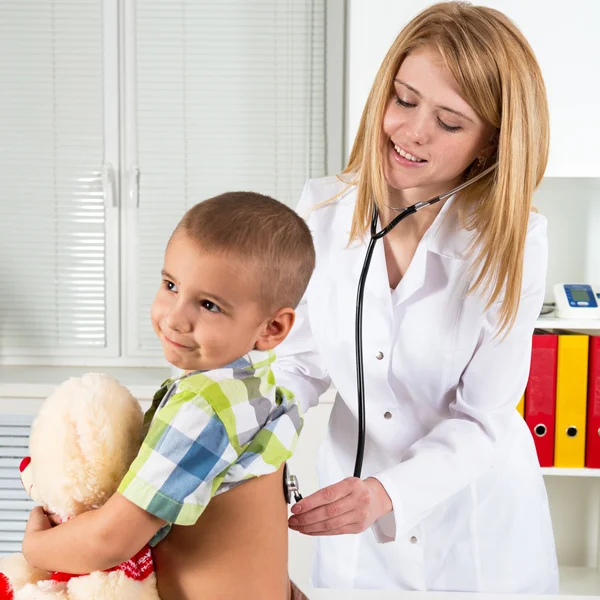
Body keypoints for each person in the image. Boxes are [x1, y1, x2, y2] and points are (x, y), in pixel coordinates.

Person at [273, 1, 558, 594]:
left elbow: (482, 418)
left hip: (472, 527)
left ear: (489, 145)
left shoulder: (515, 242)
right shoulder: (324, 210)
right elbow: (299, 360)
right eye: (404, 100)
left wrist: (388, 494)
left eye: (449, 122)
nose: (410, 131)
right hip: (351, 525)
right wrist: (258, 441)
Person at [22, 192, 314, 599]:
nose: (175, 318)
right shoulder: (257, 386)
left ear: (272, 329)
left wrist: (35, 548)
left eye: (209, 305)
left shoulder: (204, 408)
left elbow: (111, 540)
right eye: (171, 285)